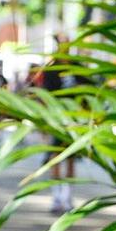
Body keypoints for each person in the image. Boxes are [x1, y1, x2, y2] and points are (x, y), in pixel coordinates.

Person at [31, 36, 80, 214]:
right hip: (57, 120)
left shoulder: (77, 67)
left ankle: (67, 197)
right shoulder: (52, 68)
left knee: (71, 159)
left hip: (74, 121)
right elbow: (45, 95)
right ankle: (57, 197)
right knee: (55, 157)